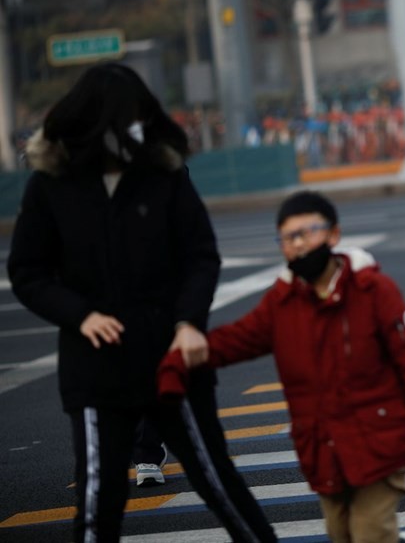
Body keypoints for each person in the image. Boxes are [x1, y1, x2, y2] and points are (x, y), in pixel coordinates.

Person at [6, 63, 276, 542]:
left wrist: (190, 322)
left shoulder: (164, 173)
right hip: (95, 370)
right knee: (97, 505)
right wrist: (80, 315)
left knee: (219, 483)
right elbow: (28, 272)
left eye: (137, 117)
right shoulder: (51, 185)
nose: (131, 129)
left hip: (172, 357)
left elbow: (200, 256)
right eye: (120, 119)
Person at [158, 191, 405, 543]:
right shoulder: (282, 303)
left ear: (333, 235)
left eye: (308, 232)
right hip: (323, 449)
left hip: (379, 443)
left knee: (369, 533)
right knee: (340, 533)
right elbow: (237, 339)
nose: (299, 244)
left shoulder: (373, 290)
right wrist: (176, 361)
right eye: (288, 237)